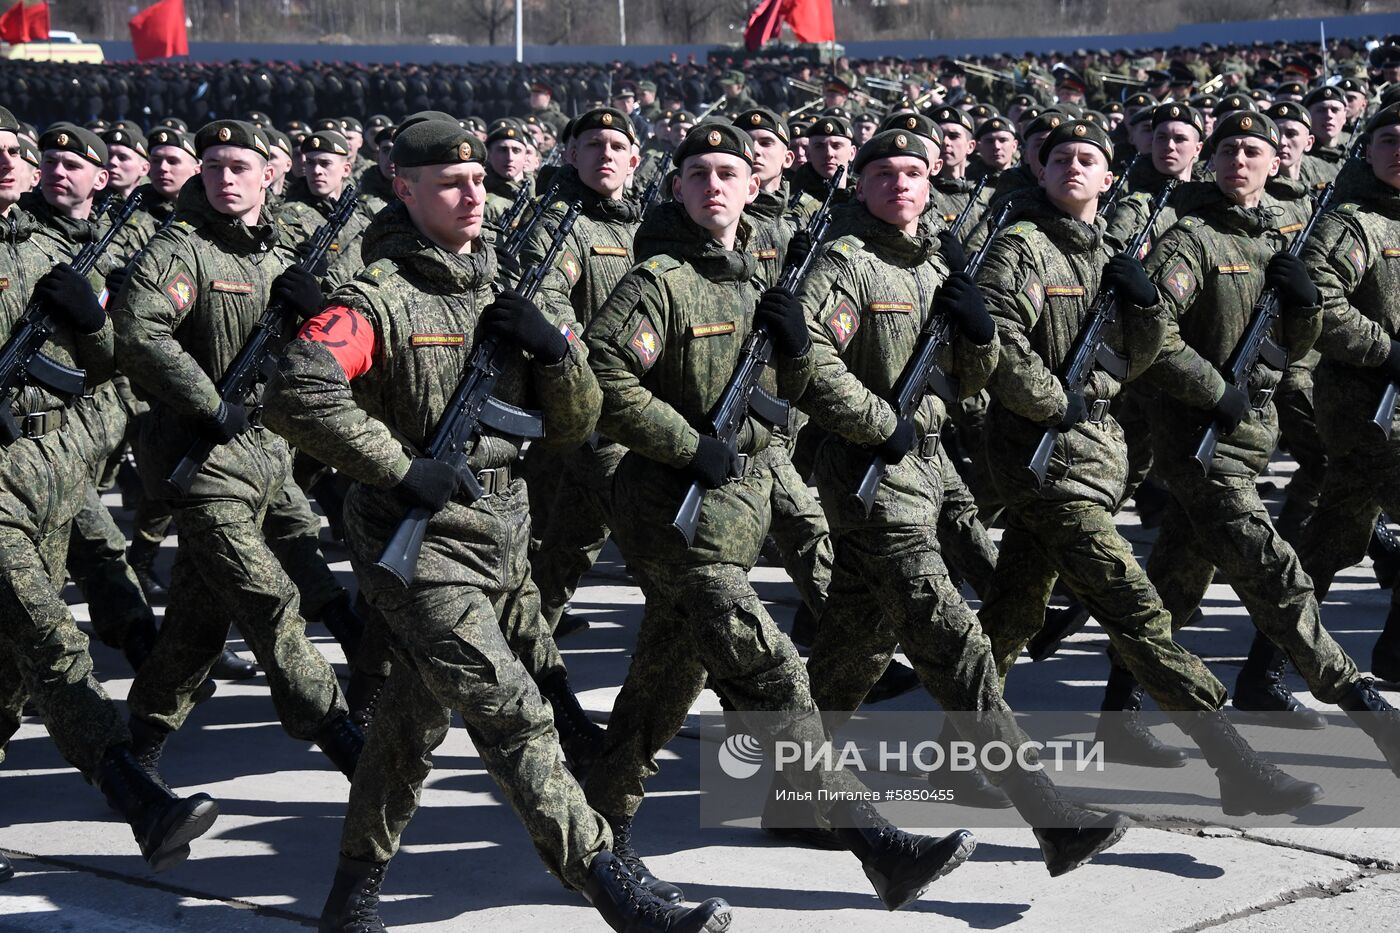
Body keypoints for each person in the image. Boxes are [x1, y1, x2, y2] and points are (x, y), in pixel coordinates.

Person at [264, 117, 731, 933]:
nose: (472, 193)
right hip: (418, 550)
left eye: (479, 180)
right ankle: (612, 887)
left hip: (502, 539)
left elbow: (572, 425)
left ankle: (350, 897)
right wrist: (401, 465)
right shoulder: (375, 298)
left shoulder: (500, 291)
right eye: (448, 182)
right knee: (515, 710)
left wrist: (557, 352)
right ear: (403, 189)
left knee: (409, 722)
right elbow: (300, 389)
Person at [583, 122, 979, 913]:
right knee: (772, 668)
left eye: (730, 172)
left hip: (738, 510)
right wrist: (684, 441)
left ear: (752, 186)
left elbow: (797, 378)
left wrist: (797, 349)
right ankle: (877, 843)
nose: (716, 187)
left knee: (664, 681)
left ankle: (598, 834)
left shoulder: (768, 275)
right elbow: (601, 370)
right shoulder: (655, 281)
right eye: (698, 174)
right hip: (671, 515)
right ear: (676, 188)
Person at [1134, 111, 1400, 766]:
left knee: (1175, 576)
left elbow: (1296, 337)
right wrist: (1210, 388)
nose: (1240, 161)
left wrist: (1304, 309)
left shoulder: (1282, 236)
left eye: (1252, 150)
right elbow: (1149, 338)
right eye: (1227, 150)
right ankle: (1363, 704)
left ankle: (1121, 708)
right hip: (1202, 435)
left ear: (1275, 162)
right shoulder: (1192, 238)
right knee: (1275, 570)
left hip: (1251, 432)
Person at [0, 105, 219, 876]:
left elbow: (102, 365)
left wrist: (90, 322)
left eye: (10, 152)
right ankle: (141, 801)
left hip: (48, 472)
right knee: (52, 643)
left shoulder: (43, 252)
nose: (13, 166)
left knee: (8, 671)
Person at [111, 120, 364, 784]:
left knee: (197, 620)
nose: (225, 178)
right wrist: (207, 400)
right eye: (214, 166)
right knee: (269, 598)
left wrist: (315, 312)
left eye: (240, 167)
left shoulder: (280, 255)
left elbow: (331, 347)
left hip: (267, 454)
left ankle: (135, 751)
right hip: (200, 458)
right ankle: (346, 740)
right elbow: (139, 330)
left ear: (267, 176)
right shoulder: (182, 247)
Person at [1300, 104, 1400, 689]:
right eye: (1387, 139)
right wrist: (1388, 352)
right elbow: (1320, 305)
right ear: (1367, 151)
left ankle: (1271, 655)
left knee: (1332, 538)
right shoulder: (1353, 223)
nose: (1398, 149)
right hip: (1366, 406)